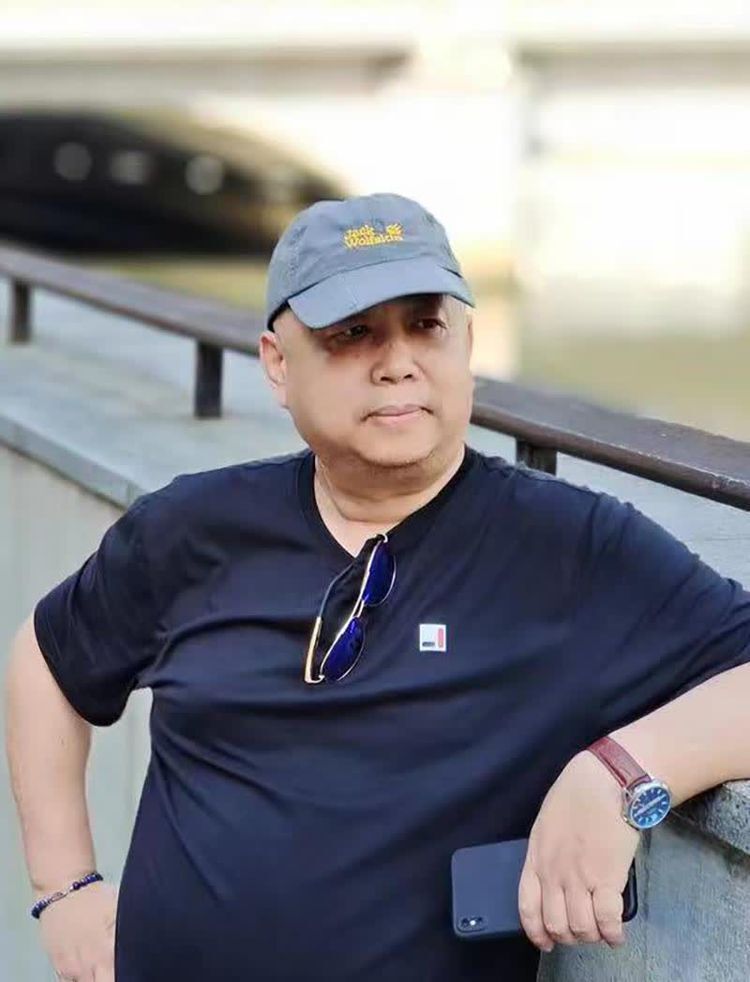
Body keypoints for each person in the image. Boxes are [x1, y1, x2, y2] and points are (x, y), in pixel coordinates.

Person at [5, 192, 750, 982]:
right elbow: (48, 662)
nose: (397, 362)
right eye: (352, 333)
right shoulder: (192, 530)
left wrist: (621, 773)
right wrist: (65, 889)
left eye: (425, 325)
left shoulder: (568, 548)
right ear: (277, 364)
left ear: (467, 343)